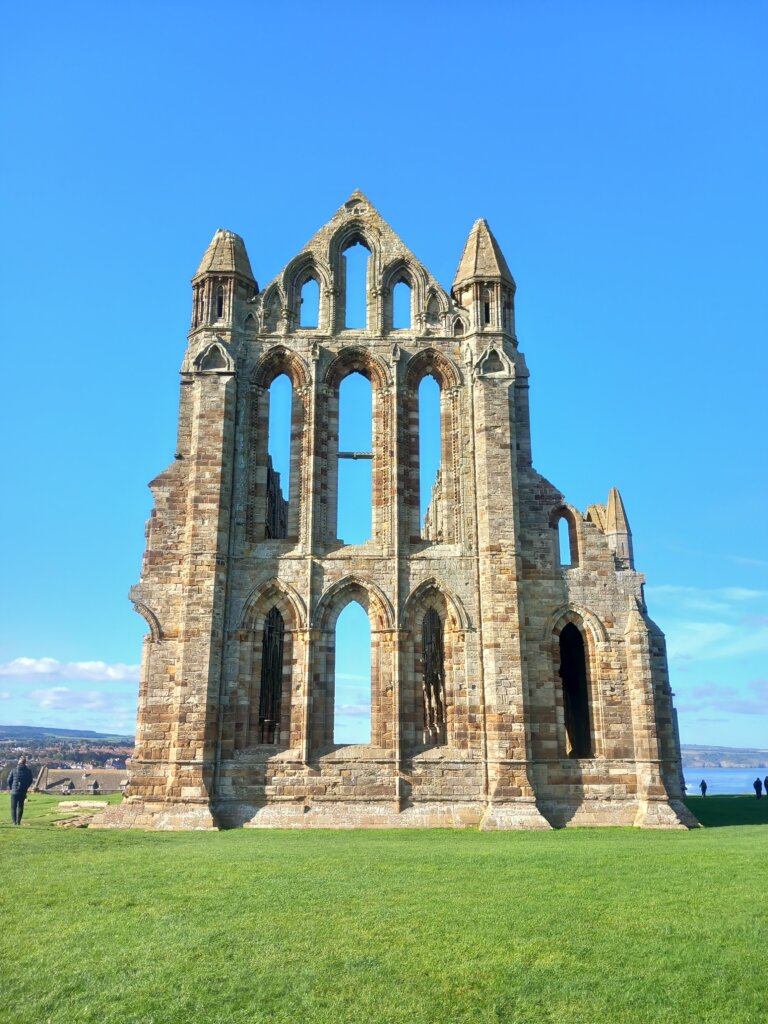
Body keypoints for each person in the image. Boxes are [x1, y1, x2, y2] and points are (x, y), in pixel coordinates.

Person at [7, 756, 33, 825]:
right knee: (21, 806)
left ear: (19, 762)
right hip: (23, 791)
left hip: (14, 791)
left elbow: (9, 780)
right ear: (25, 763)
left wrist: (11, 788)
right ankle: (18, 822)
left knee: (13, 807)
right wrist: (26, 787)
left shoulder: (14, 770)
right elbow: (30, 780)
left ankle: (14, 822)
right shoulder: (28, 771)